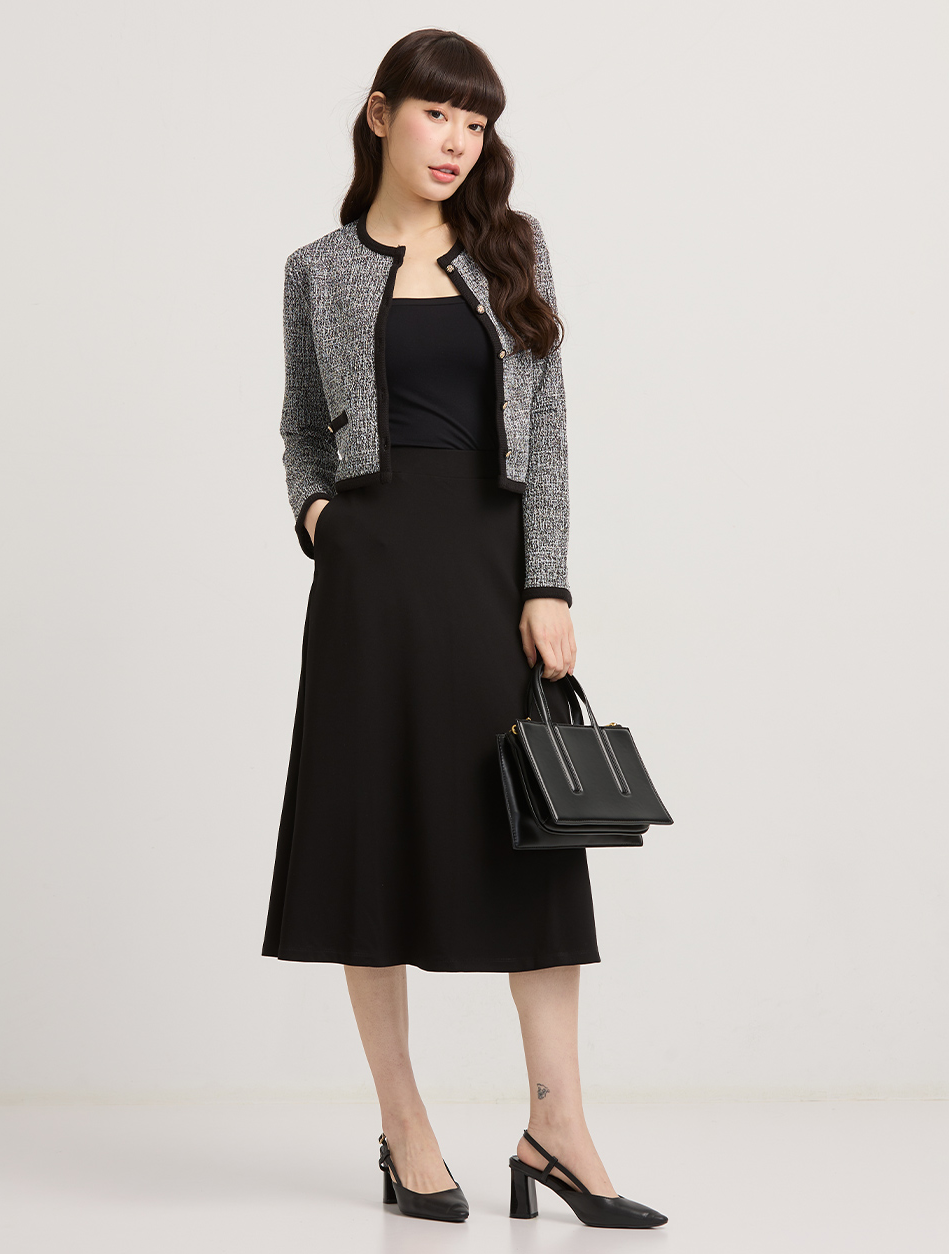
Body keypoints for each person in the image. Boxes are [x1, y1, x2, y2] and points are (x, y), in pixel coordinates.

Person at [262, 28, 667, 1229]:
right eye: (438, 114)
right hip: (370, 582)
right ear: (381, 114)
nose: (456, 141)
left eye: (476, 123)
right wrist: (321, 518)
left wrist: (549, 585)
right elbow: (300, 425)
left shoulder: (512, 251)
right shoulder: (317, 269)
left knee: (530, 842)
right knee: (369, 838)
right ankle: (405, 1127)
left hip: (488, 573)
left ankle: (558, 1128)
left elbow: (549, 431)